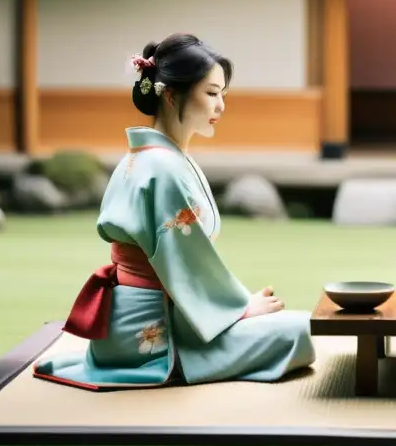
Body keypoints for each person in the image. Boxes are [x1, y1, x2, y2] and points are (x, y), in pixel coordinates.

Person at [33, 34, 315, 389]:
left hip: (139, 322)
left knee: (292, 327)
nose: (221, 106)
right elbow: (185, 262)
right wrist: (241, 309)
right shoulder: (162, 167)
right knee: (298, 330)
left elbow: (187, 264)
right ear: (170, 95)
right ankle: (182, 364)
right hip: (153, 334)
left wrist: (239, 307)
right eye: (211, 93)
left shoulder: (151, 159)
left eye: (223, 94)